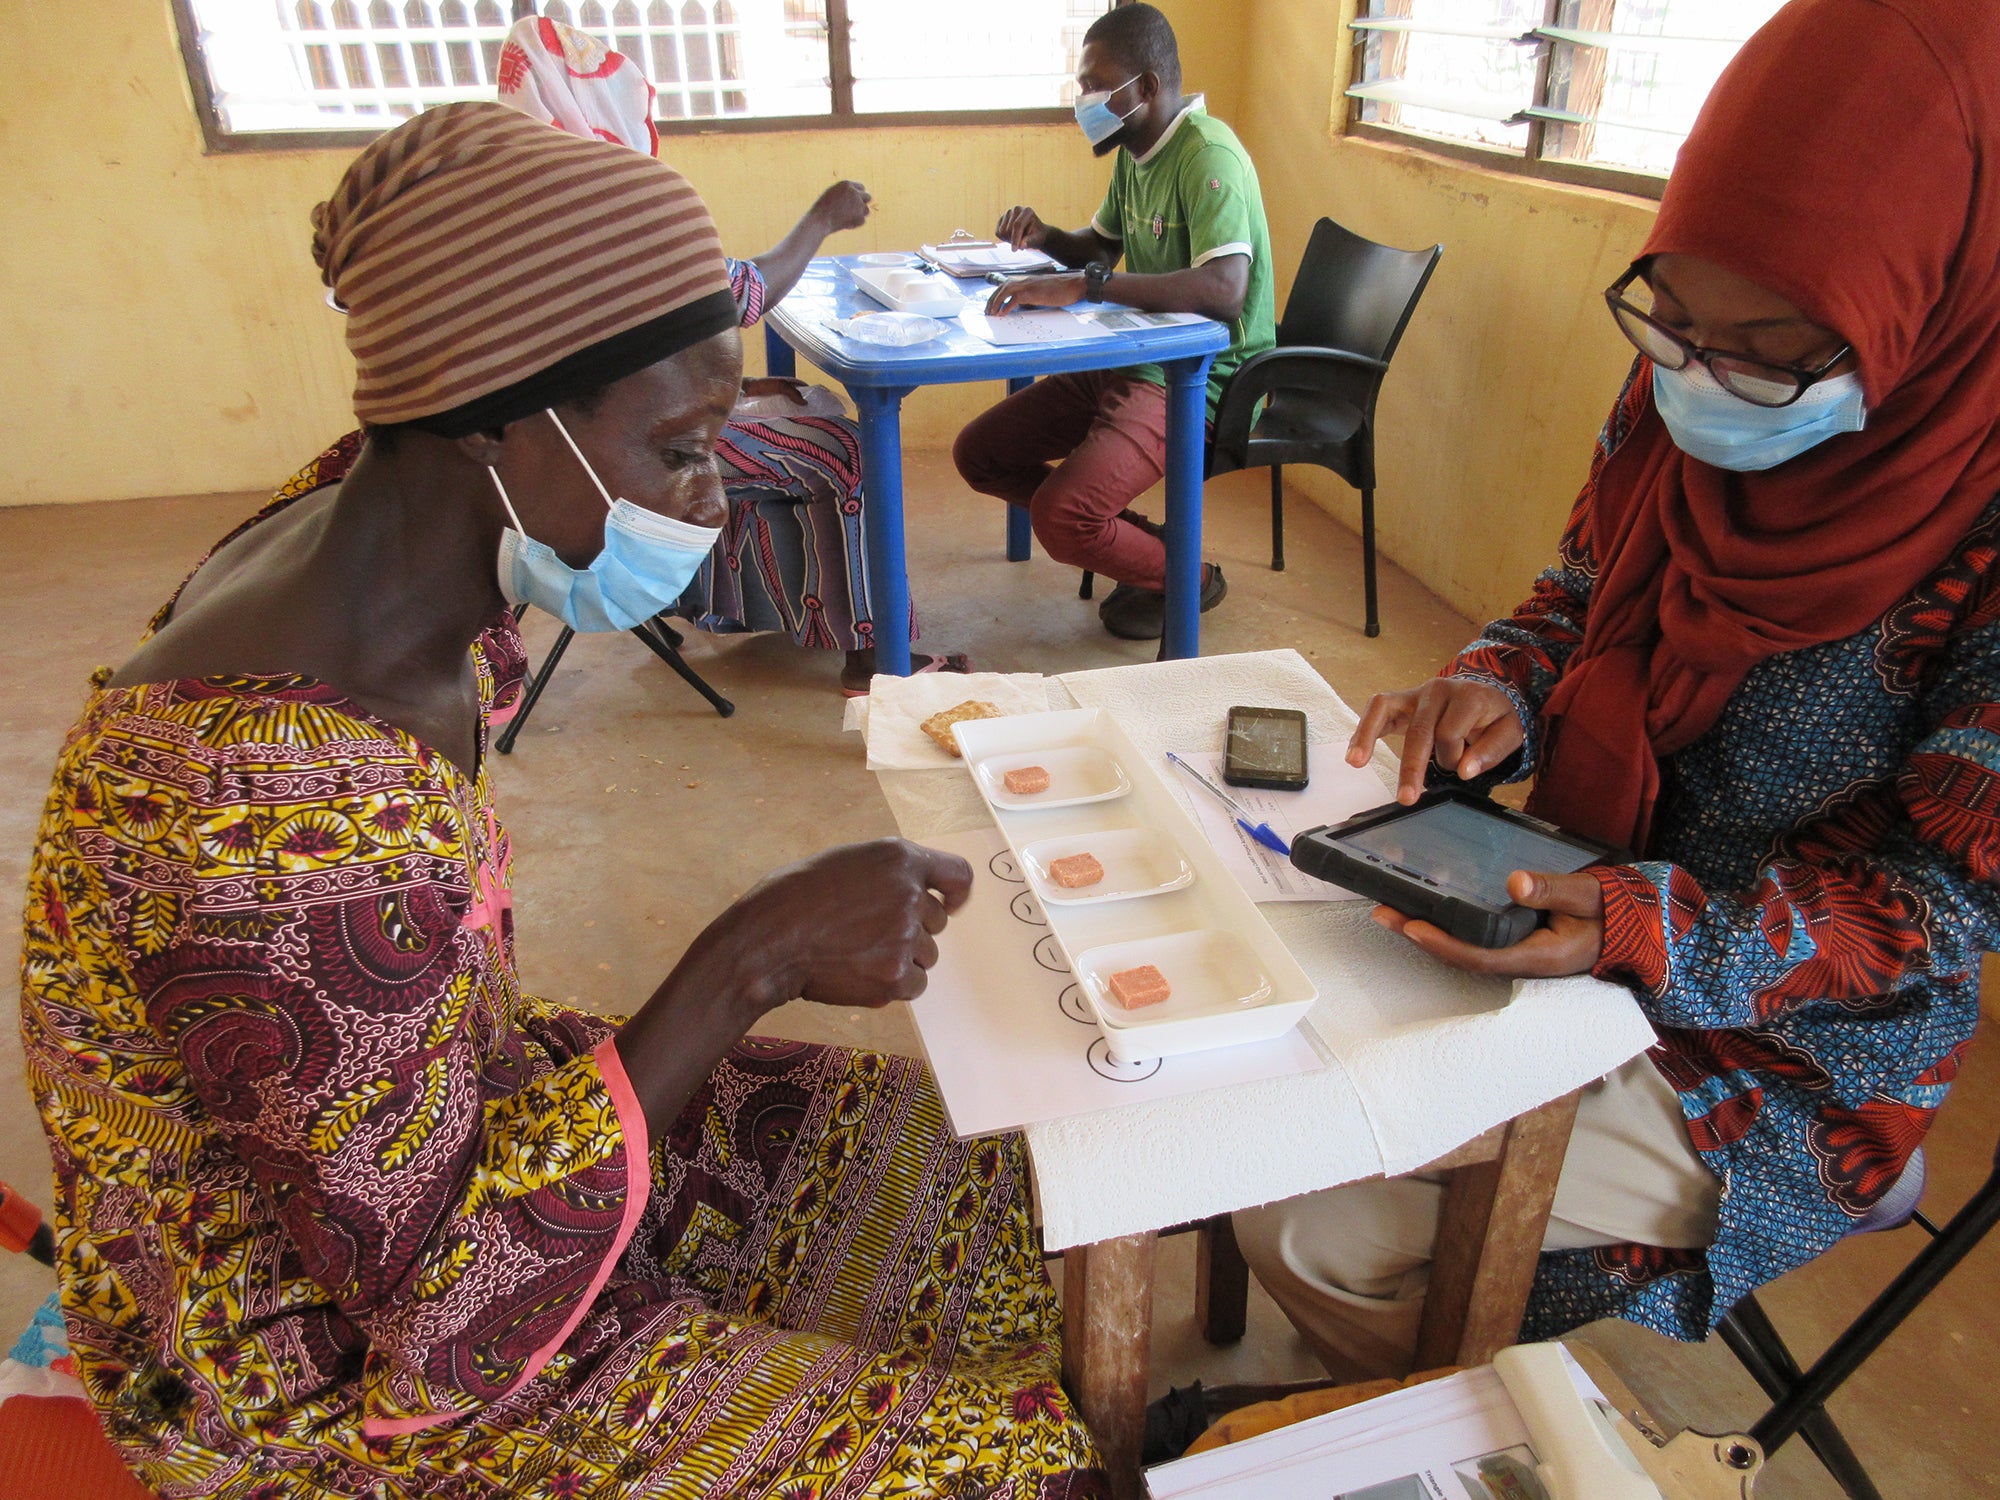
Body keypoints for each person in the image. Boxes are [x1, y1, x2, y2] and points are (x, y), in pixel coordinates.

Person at [18, 103, 1104, 1499]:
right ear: (499, 425)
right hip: (317, 1378)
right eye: (680, 449)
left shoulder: (375, 517)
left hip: (442, 1131)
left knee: (982, 1183)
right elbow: (435, 1315)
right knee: (1010, 1468)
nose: (709, 501)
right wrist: (751, 958)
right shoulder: (253, 810)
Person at [1236, 0, 2000, 1380]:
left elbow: (1948, 902)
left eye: (1768, 350)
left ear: (1936, 297)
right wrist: (1498, 687)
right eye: (1673, 317)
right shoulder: (1683, 386)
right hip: (1575, 886)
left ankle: (1449, 1441)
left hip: (1794, 1048)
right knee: (1262, 1045)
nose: (1697, 380)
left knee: (1314, 1232)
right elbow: (1580, 594)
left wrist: (1642, 927)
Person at [497, 15, 966, 694]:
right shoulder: (608, 206)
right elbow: (743, 296)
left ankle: (744, 601)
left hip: (556, 460)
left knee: (798, 401)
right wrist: (824, 218)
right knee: (848, 451)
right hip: (633, 461)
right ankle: (873, 654)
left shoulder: (517, 216)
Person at [951, 2, 1275, 641]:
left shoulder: (1209, 157)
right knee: (980, 454)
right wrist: (1044, 236)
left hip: (1200, 376)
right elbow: (1098, 249)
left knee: (1062, 518)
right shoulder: (1136, 151)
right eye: (1081, 86)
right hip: (1129, 353)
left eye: (1095, 85)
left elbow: (1224, 290)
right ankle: (1143, 545)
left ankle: (1191, 577)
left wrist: (1087, 284)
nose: (1084, 100)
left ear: (1147, 88)